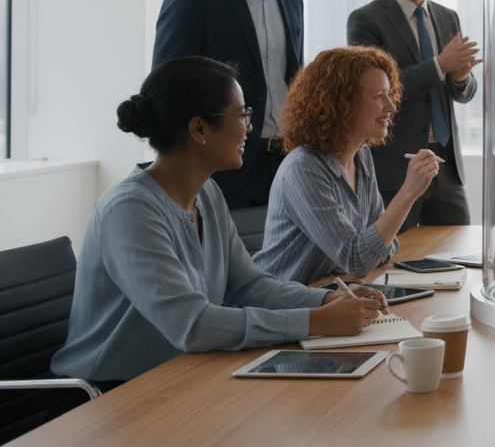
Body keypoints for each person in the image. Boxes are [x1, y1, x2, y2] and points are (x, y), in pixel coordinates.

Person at [51, 57, 387, 385]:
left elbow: (248, 285)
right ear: (199, 129)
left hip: (183, 375)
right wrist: (314, 321)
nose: (250, 127)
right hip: (110, 395)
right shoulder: (129, 211)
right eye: (242, 115)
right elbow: (193, 325)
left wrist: (327, 300)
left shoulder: (207, 194)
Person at [152, 0, 304, 210]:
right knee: (218, 259)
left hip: (285, 162)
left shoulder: (292, 0)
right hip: (219, 164)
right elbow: (168, 88)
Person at [253, 46, 444, 286]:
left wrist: (369, 247)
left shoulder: (361, 156)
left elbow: (385, 248)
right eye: (378, 96)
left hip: (326, 292)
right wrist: (409, 193)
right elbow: (358, 260)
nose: (391, 107)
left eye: (389, 94)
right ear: (341, 103)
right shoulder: (303, 169)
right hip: (282, 307)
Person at [347, 0, 482, 229]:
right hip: (396, 168)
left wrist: (460, 78)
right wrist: (439, 66)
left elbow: (462, 91)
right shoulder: (366, 20)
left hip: (445, 165)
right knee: (392, 256)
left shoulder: (448, 17)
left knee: (457, 250)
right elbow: (375, 94)